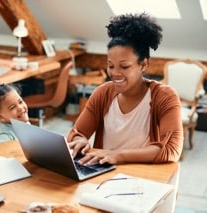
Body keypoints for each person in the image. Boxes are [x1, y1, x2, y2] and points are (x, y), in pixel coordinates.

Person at [67, 13, 183, 165]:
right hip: (105, 172)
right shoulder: (103, 93)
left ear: (143, 65)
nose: (115, 73)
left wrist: (118, 156)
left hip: (145, 177)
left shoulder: (164, 97)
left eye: (124, 66)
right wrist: (80, 140)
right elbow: (78, 132)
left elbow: (171, 149)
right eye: (110, 65)